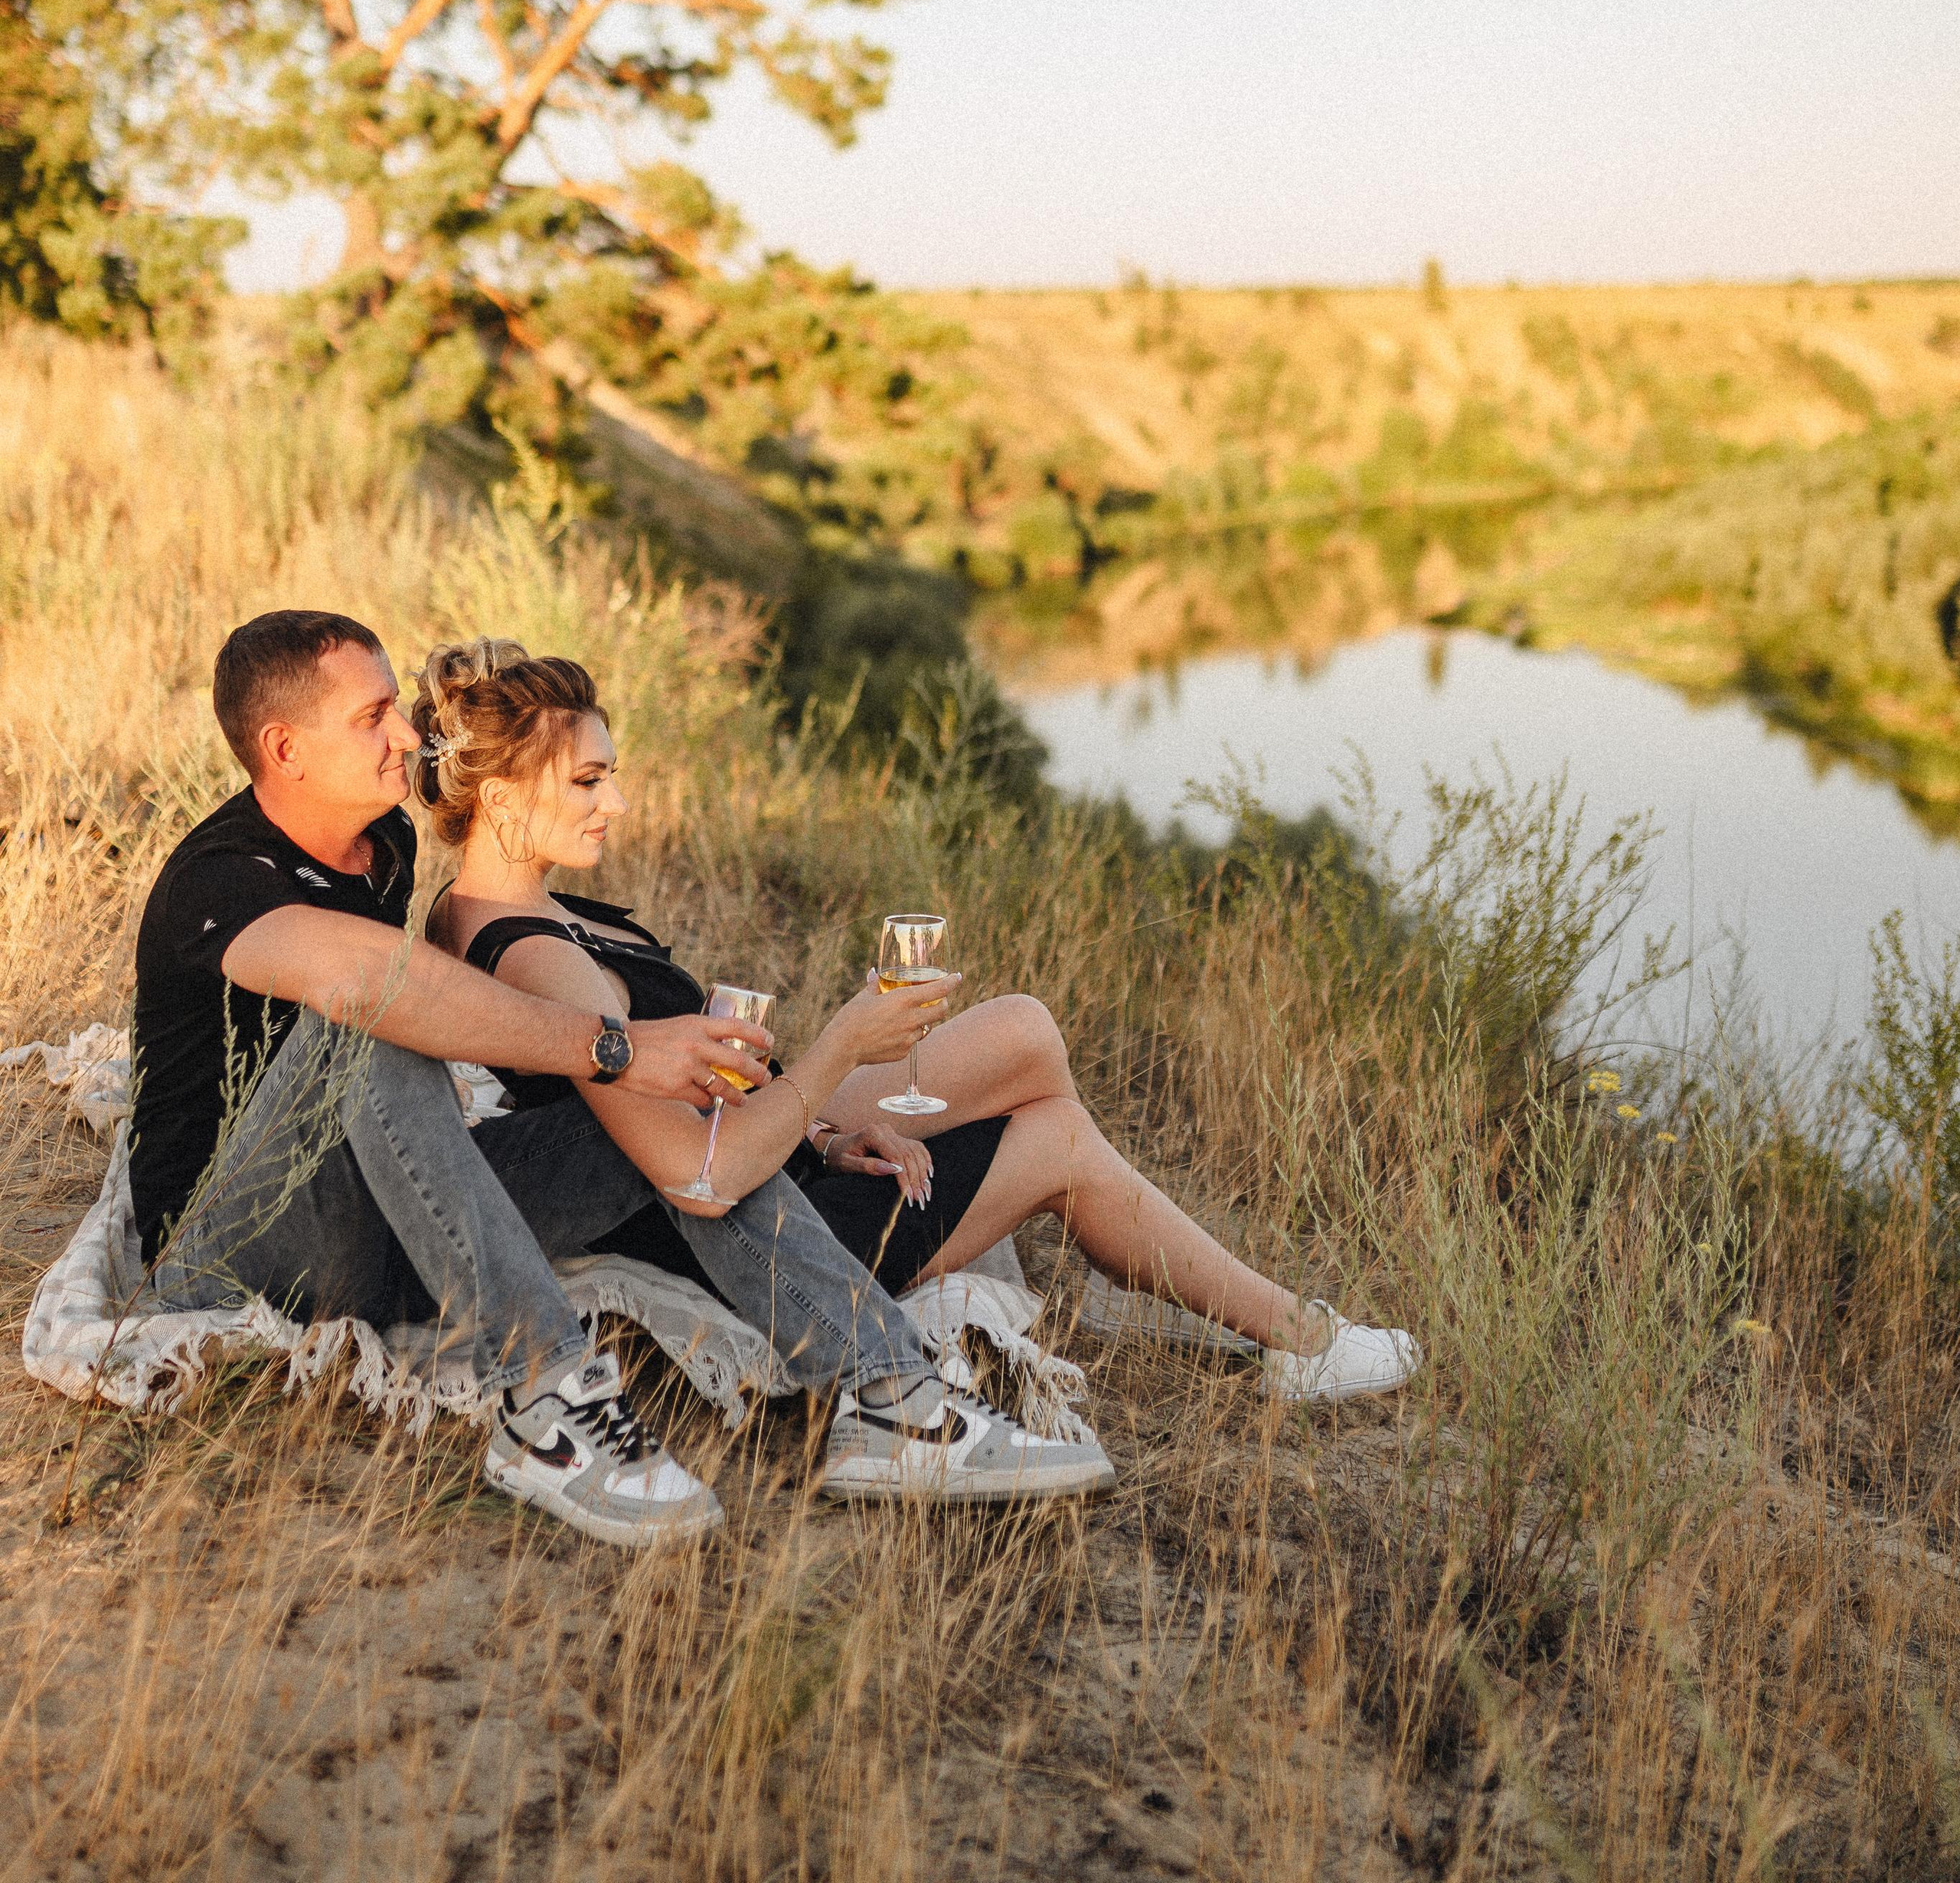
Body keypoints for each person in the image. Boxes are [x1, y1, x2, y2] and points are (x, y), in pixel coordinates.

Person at [128, 610, 1112, 1552]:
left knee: (664, 1122)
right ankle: (544, 1399)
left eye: (396, 706)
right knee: (375, 1014)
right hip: (238, 1246)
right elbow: (374, 985)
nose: (406, 736)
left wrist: (760, 1113)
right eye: (372, 716)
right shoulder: (220, 879)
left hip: (389, 1227)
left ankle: (891, 1399)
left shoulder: (381, 845)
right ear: (286, 749)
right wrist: (618, 1046)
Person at [417, 638, 1422, 1405]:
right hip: (764, 1241)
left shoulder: (489, 909)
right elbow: (701, 1179)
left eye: (610, 774)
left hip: (776, 1155)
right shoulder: (540, 958)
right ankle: (1296, 1335)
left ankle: (1132, 1247)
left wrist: (822, 1131)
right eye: (589, 780)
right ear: (500, 798)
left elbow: (675, 1110)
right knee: (1056, 1135)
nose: (619, 801)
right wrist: (844, 1047)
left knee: (1022, 1032)